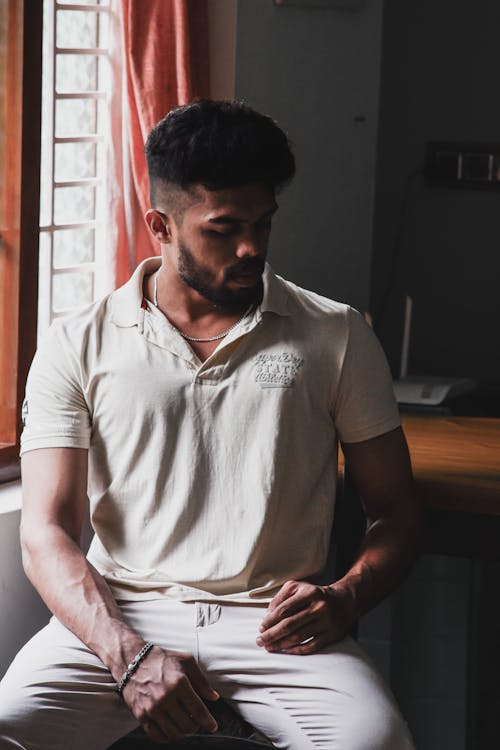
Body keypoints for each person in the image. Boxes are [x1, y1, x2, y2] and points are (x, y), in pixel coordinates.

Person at [0, 100, 421, 750]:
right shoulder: (74, 342)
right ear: (160, 227)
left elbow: (396, 509)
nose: (252, 247)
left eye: (262, 224)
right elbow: (45, 532)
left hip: (275, 622)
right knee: (11, 727)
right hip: (122, 612)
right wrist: (124, 652)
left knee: (377, 740)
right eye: (224, 230)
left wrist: (346, 598)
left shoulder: (336, 335)